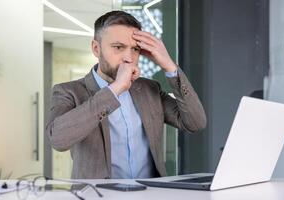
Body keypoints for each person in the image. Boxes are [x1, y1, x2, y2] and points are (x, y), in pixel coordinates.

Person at [46, 11, 206, 179]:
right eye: (118, 47)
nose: (128, 58)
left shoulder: (149, 89)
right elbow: (58, 140)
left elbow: (195, 123)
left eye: (135, 49)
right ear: (96, 48)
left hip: (150, 194)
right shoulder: (68, 91)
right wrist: (114, 90)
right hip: (98, 196)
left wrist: (169, 66)